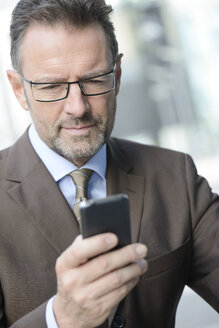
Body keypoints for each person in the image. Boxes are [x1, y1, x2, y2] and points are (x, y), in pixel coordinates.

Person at [0, 0, 218, 327]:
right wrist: (61, 319)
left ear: (116, 74)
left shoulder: (176, 177)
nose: (77, 107)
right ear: (19, 90)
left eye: (94, 79)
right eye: (51, 86)